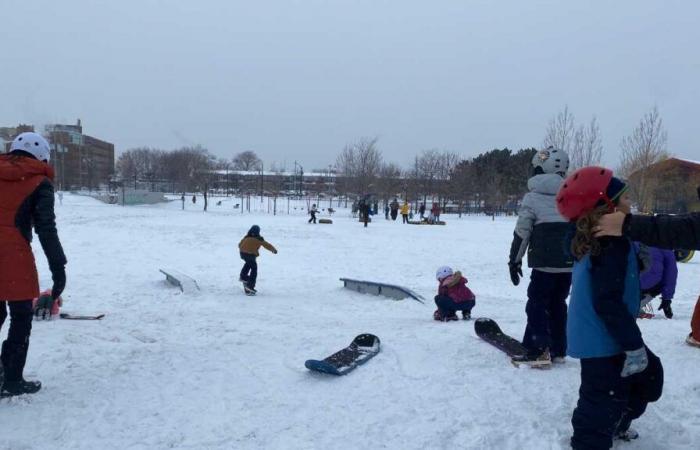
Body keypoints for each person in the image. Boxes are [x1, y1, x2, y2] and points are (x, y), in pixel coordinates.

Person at [557, 166, 663, 448]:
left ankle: (617, 421)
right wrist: (633, 345)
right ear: (606, 207)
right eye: (625, 198)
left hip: (609, 332)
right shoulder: (608, 244)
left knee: (648, 378)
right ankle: (589, 441)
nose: (631, 204)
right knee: (601, 398)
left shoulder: (606, 239)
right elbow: (607, 300)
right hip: (603, 337)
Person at [0, 132, 67, 396]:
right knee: (20, 315)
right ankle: (12, 378)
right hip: (14, 255)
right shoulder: (39, 183)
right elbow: (46, 230)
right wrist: (58, 268)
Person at [594, 186, 700, 349]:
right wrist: (667, 298)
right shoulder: (628, 242)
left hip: (631, 286)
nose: (630, 202)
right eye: (626, 198)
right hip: (644, 287)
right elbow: (671, 271)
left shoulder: (618, 241)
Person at [508, 147, 573, 366]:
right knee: (558, 303)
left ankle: (539, 349)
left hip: (544, 264)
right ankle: (557, 348)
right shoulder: (572, 194)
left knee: (537, 303)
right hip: (568, 264)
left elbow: (522, 232)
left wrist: (514, 260)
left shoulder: (533, 197)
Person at [635, 243, 677, 319]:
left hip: (625, 281)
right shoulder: (664, 244)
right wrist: (666, 299)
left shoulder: (631, 236)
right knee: (661, 281)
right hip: (647, 283)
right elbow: (670, 274)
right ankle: (637, 305)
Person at [238, 225, 277, 295]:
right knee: (254, 268)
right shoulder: (259, 239)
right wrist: (273, 250)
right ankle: (250, 286)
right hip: (250, 255)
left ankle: (243, 276)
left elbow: (239, 244)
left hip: (242, 253)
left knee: (248, 264)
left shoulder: (246, 237)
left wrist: (244, 248)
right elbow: (267, 245)